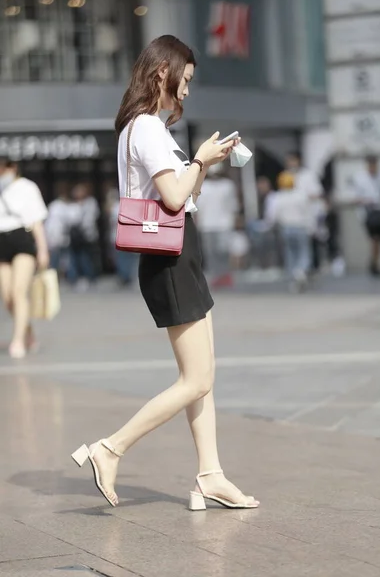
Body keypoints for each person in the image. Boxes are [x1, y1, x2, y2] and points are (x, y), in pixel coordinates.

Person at [71, 35, 259, 511]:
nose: (188, 91)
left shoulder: (142, 128)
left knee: (203, 375)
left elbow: (176, 193)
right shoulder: (148, 129)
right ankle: (109, 449)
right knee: (196, 379)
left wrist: (204, 164)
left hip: (178, 256)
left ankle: (210, 475)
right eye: (186, 80)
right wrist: (200, 159)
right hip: (169, 260)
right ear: (163, 73)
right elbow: (174, 199)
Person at [0, 157, 49, 358]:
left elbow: (36, 221)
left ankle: (18, 340)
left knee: (19, 291)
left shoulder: (28, 187)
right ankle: (28, 331)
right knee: (8, 297)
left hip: (21, 239)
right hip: (1, 241)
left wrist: (43, 249)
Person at [195, 167, 239, 288]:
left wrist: (235, 221)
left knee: (223, 251)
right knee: (210, 253)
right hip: (207, 225)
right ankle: (216, 276)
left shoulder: (228, 185)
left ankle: (225, 275)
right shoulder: (203, 185)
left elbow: (232, 204)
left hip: (224, 224)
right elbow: (198, 207)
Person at [284, 152, 325, 272]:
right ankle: (297, 272)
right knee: (294, 249)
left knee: (309, 246)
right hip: (291, 218)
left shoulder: (308, 175)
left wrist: (304, 199)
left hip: (307, 215)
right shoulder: (285, 176)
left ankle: (310, 270)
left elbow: (317, 193)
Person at [354, 155, 380, 277]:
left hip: (379, 211)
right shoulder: (360, 179)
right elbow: (356, 198)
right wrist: (367, 201)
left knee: (379, 240)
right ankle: (374, 263)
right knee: (375, 238)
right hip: (368, 213)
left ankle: (375, 262)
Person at [270, 171, 310, 292]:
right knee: (303, 252)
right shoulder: (301, 195)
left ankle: (293, 277)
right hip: (300, 227)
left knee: (290, 253)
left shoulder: (277, 197)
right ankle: (301, 272)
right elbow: (307, 212)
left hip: (286, 228)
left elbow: (273, 215)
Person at [67, 183, 100, 291]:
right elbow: (70, 219)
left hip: (88, 236)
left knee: (87, 258)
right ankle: (77, 278)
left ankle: (90, 277)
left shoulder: (90, 203)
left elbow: (90, 218)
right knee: (75, 258)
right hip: (76, 237)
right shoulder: (72, 205)